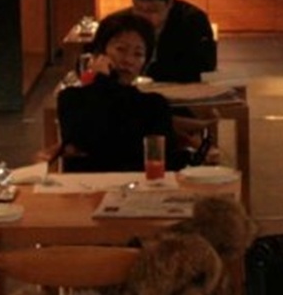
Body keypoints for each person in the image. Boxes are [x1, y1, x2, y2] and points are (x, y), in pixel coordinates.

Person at [56, 10, 191, 173]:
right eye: (121, 49)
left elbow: (163, 161)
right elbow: (93, 141)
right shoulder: (71, 99)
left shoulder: (153, 105)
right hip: (89, 187)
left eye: (138, 54)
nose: (128, 60)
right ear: (100, 53)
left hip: (142, 186)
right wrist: (103, 81)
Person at [127, 0, 217, 83]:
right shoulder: (122, 21)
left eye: (152, 10)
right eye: (138, 8)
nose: (144, 16)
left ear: (170, 3)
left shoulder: (192, 21)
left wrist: (146, 70)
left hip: (178, 88)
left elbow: (203, 66)